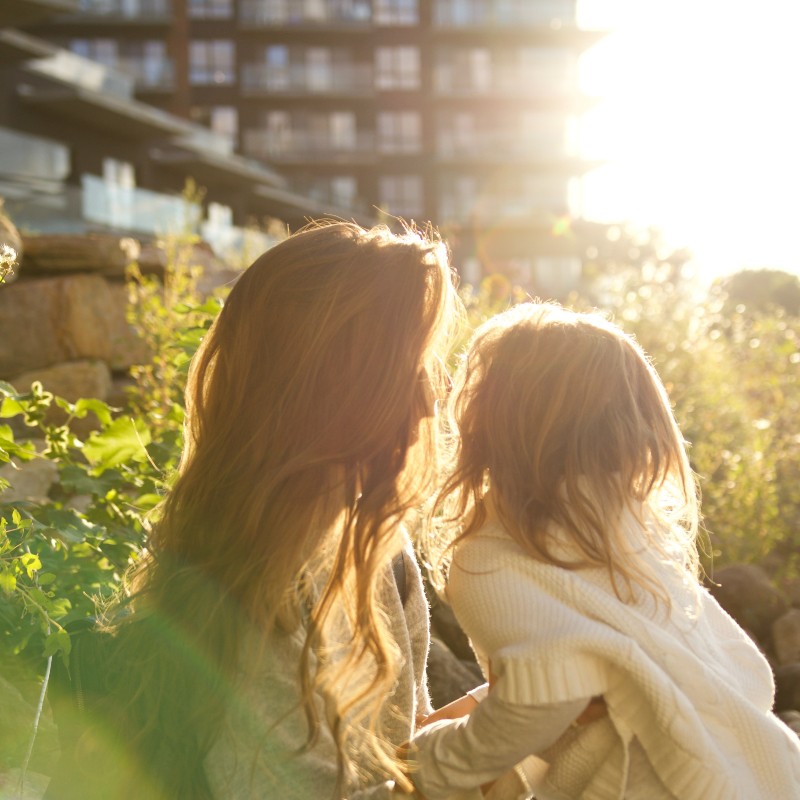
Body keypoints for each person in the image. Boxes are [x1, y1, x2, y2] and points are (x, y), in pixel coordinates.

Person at [45, 221, 462, 799]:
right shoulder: (249, 591)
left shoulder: (383, 554)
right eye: (408, 366)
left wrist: (515, 723)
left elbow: (400, 755)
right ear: (338, 388)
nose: (429, 400)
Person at [407, 302, 800, 799]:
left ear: (484, 421)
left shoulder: (487, 553)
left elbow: (548, 696)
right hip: (766, 770)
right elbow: (744, 670)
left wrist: (435, 761)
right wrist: (481, 704)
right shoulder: (632, 532)